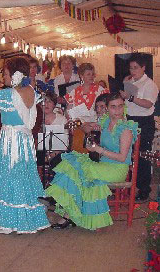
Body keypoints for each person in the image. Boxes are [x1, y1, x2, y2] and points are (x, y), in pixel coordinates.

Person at [0, 57, 50, 234]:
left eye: (5, 74)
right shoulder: (30, 90)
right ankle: (26, 221)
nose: (3, 77)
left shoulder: (8, 94)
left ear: (15, 75)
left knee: (10, 176)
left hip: (12, 140)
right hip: (26, 141)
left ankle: (12, 222)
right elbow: (12, 95)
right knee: (24, 176)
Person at [46, 93, 138, 230]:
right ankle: (68, 213)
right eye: (113, 107)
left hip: (116, 169)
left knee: (77, 168)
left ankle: (65, 210)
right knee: (73, 162)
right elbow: (87, 127)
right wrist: (81, 124)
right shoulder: (106, 122)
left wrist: (98, 149)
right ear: (107, 109)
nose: (117, 111)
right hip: (102, 166)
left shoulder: (125, 129)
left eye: (120, 106)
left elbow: (122, 158)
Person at [120, 53, 159, 201]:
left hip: (144, 121)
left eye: (136, 68)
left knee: (142, 156)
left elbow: (148, 103)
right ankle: (128, 185)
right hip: (129, 119)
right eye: (131, 68)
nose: (133, 71)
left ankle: (144, 189)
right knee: (128, 154)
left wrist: (130, 97)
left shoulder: (150, 84)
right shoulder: (130, 81)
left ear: (143, 68)